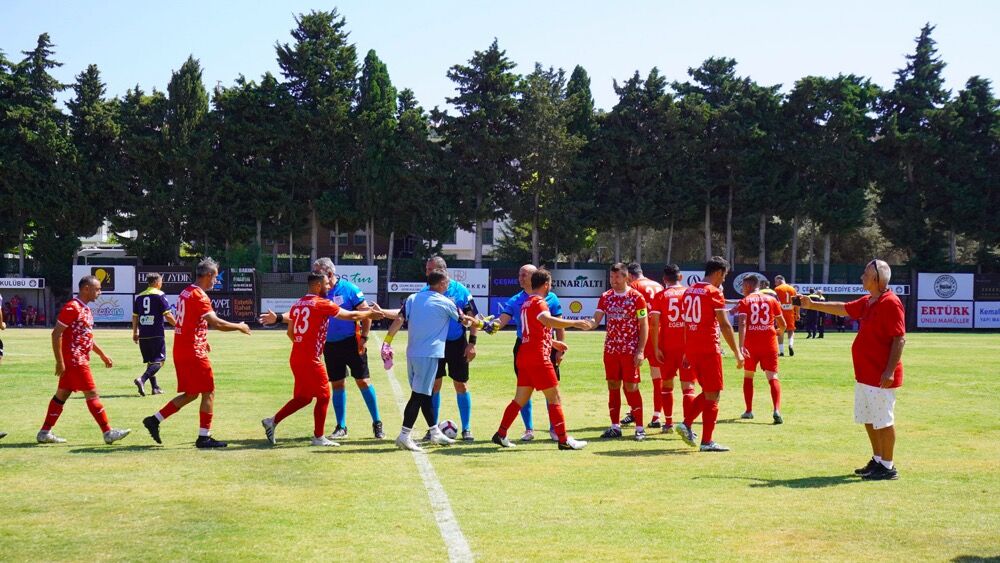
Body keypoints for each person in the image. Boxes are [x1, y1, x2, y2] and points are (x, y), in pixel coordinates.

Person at [798, 259, 905, 481]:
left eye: (865, 274)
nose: (861, 277)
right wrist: (811, 305)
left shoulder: (890, 302)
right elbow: (843, 309)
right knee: (869, 418)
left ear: (877, 278)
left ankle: (888, 466)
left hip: (880, 374)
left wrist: (890, 371)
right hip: (865, 373)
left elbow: (899, 339)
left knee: (883, 420)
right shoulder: (869, 301)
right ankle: (877, 460)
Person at [260, 258, 384, 440]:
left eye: (319, 272)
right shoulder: (319, 297)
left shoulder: (348, 289)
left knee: (363, 382)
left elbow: (360, 314)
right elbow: (348, 314)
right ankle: (339, 428)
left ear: (329, 275)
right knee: (334, 386)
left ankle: (377, 423)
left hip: (351, 342)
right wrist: (279, 317)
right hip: (329, 346)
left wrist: (364, 338)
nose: (315, 274)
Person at [142, 258, 251, 449]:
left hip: (182, 348)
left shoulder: (186, 291)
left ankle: (154, 420)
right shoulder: (200, 296)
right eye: (215, 277)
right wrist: (239, 326)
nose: (216, 281)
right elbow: (216, 323)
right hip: (193, 351)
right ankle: (204, 437)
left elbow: (188, 320)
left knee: (192, 393)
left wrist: (202, 338)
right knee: (208, 391)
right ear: (208, 275)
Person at [492, 269, 590, 450]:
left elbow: (532, 331)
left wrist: (553, 342)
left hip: (524, 355)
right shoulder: (539, 302)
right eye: (550, 284)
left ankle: (501, 434)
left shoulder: (526, 303)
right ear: (546, 285)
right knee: (555, 398)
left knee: (519, 400)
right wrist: (574, 323)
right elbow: (546, 320)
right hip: (539, 358)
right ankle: (563, 440)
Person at [382, 269, 479, 452]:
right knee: (418, 396)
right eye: (447, 283)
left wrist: (387, 342)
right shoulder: (445, 301)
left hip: (412, 353)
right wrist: (482, 324)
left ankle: (434, 431)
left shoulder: (412, 298)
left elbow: (399, 319)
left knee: (425, 393)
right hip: (430, 354)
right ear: (441, 284)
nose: (448, 285)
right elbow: (465, 322)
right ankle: (404, 435)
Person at [36, 275, 130, 445]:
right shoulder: (72, 307)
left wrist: (101, 354)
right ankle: (108, 432)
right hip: (75, 360)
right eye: (98, 289)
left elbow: (86, 337)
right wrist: (59, 361)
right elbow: (56, 333)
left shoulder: (85, 309)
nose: (99, 292)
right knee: (92, 394)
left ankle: (44, 433)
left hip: (77, 358)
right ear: (86, 288)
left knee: (62, 395)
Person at [485, 263, 564, 441]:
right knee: (546, 392)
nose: (520, 278)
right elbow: (501, 322)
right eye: (519, 275)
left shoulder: (550, 298)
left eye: (524, 275)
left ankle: (553, 429)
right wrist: (487, 326)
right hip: (529, 348)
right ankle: (533, 430)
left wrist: (559, 346)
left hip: (546, 346)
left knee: (531, 393)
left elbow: (555, 323)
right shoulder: (517, 300)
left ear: (534, 277)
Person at [674, 257, 745, 452]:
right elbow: (724, 324)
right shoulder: (713, 292)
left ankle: (688, 425)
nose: (723, 280)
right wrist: (737, 352)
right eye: (724, 276)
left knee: (708, 392)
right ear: (719, 273)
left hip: (693, 348)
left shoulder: (688, 291)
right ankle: (704, 439)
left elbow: (687, 322)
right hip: (708, 349)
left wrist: (687, 350)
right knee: (713, 394)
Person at [590, 263, 649, 441]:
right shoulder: (606, 297)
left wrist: (640, 350)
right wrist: (586, 324)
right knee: (613, 386)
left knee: (631, 387)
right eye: (611, 277)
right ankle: (615, 426)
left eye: (617, 277)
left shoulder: (636, 297)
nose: (613, 281)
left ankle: (639, 428)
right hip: (611, 349)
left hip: (630, 349)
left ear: (626, 278)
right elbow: (596, 319)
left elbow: (644, 324)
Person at [423, 256, 479, 441]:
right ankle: (433, 429)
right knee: (434, 386)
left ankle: (467, 428)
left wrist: (472, 343)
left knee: (461, 385)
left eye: (430, 270)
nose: (427, 273)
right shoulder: (426, 291)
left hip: (457, 343)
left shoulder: (461, 290)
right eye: (427, 269)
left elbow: (473, 318)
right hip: (435, 345)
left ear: (441, 271)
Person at [735, 275, 787, 424]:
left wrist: (741, 345)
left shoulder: (745, 301)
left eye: (743, 286)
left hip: (751, 345)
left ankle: (749, 410)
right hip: (769, 344)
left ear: (748, 286)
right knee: (773, 377)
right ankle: (777, 409)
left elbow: (743, 323)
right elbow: (782, 323)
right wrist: (778, 332)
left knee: (748, 376)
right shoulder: (772, 300)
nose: (742, 289)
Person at [648, 264, 691, 433]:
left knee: (666, 384)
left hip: (667, 346)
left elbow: (654, 323)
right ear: (680, 277)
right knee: (688, 386)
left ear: (664, 279)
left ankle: (668, 423)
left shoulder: (661, 296)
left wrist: (656, 346)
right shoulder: (689, 294)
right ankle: (687, 424)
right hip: (686, 346)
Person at [626, 262, 666, 429]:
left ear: (629, 275)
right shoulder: (658, 285)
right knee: (657, 377)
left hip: (640, 336)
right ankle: (657, 415)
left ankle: (635, 412)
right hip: (659, 335)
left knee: (630, 378)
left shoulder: (633, 287)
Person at [131, 273, 177, 396]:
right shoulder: (160, 295)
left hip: (143, 334)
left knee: (151, 361)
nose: (161, 284)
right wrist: (178, 325)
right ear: (156, 282)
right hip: (156, 332)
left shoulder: (139, 297)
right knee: (159, 361)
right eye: (161, 281)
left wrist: (135, 332)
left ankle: (155, 387)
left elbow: (135, 316)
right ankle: (142, 379)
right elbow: (167, 315)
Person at [773, 275, 799, 356]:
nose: (775, 283)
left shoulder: (777, 289)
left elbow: (775, 302)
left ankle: (781, 351)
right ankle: (790, 345)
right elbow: (797, 303)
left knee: (780, 330)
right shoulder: (792, 289)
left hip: (780, 313)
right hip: (790, 311)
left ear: (779, 281)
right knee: (791, 330)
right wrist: (797, 313)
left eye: (776, 282)